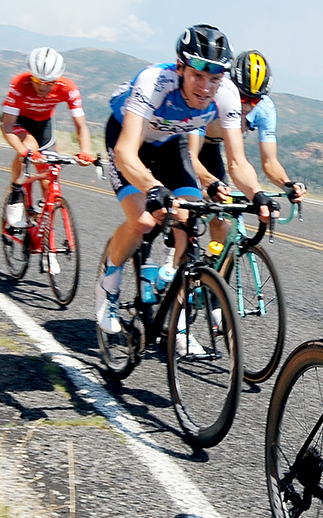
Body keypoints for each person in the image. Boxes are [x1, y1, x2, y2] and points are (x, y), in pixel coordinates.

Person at [96, 24, 278, 335]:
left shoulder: (227, 95)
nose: (205, 87)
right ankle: (108, 287)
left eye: (215, 78)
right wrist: (153, 188)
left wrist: (258, 194)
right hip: (132, 142)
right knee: (143, 221)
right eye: (197, 75)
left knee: (190, 221)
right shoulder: (155, 82)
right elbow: (126, 152)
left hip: (171, 146)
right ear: (181, 68)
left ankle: (178, 323)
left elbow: (237, 162)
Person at [196, 49, 306, 244]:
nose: (247, 106)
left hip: (212, 149)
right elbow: (190, 156)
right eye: (242, 97)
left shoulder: (265, 109)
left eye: (254, 100)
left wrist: (287, 184)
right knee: (188, 206)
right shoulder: (214, 96)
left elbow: (270, 162)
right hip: (190, 146)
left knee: (222, 224)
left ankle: (209, 272)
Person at [0, 47, 95, 228]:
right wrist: (24, 152)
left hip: (44, 124)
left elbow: (81, 126)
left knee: (50, 178)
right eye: (37, 80)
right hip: (18, 122)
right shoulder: (19, 84)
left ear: (57, 78)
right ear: (30, 75)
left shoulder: (68, 89)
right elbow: (7, 126)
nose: (42, 87)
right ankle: (16, 193)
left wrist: (85, 151)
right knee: (30, 146)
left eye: (49, 82)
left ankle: (44, 233)